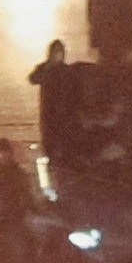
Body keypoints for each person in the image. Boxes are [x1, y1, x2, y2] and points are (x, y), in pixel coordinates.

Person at [28, 39, 82, 184]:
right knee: (50, 146)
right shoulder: (46, 69)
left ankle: (60, 178)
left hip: (61, 115)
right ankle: (53, 178)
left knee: (61, 147)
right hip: (49, 115)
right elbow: (33, 78)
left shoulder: (66, 71)